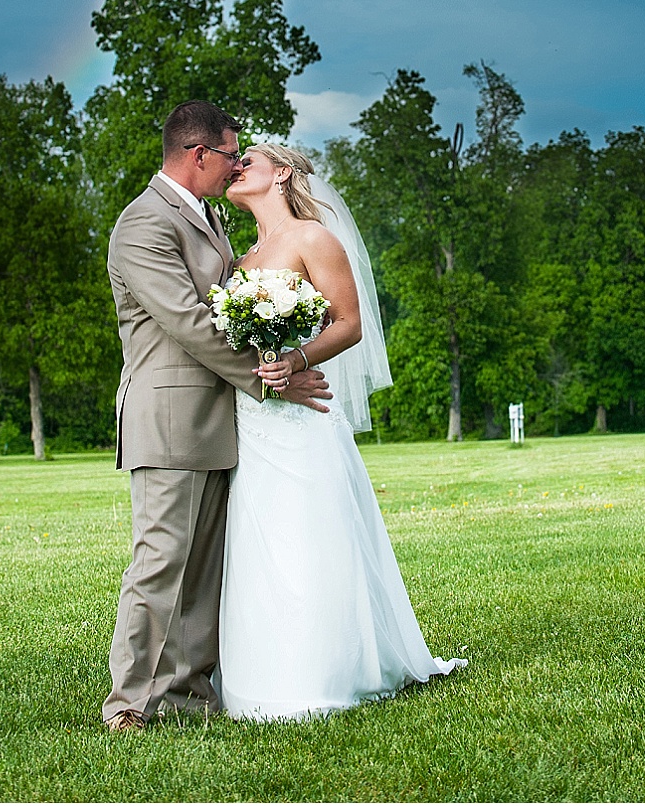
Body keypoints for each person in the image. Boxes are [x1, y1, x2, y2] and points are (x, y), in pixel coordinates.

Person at [102, 103, 330, 731]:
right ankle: (129, 705)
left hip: (215, 422)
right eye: (231, 155)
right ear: (199, 154)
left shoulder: (205, 219)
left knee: (202, 574)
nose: (236, 167)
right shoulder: (143, 224)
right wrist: (273, 377)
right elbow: (191, 322)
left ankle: (189, 695)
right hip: (168, 419)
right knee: (160, 563)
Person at [219, 143, 465, 720]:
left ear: (281, 173)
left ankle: (324, 671)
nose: (236, 167)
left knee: (307, 532)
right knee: (260, 539)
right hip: (252, 420)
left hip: (303, 414)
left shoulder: (313, 239)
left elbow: (349, 323)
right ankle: (259, 674)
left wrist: (297, 362)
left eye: (246, 159)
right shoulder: (241, 259)